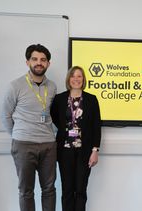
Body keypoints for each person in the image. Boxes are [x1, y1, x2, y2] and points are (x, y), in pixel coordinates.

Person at [1, 44, 57, 211]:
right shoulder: (15, 86)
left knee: (49, 190)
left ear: (48, 63)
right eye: (34, 59)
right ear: (27, 62)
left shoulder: (52, 87)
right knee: (26, 191)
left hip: (48, 145)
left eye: (43, 60)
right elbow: (6, 116)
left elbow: (53, 115)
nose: (38, 63)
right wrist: (19, 134)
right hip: (23, 144)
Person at [50, 66, 101, 211]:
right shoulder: (60, 99)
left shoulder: (91, 99)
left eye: (79, 76)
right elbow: (54, 118)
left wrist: (95, 150)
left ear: (83, 79)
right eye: (73, 76)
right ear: (68, 79)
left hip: (84, 152)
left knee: (80, 190)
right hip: (64, 151)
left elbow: (96, 126)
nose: (76, 79)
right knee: (67, 191)